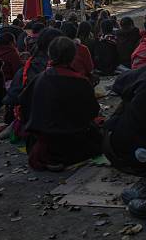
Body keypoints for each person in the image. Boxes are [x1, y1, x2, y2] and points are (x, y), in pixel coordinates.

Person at [21, 37, 102, 171]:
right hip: (73, 141)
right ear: (72, 57)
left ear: (50, 54)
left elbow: (24, 108)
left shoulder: (39, 79)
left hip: (42, 141)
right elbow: (92, 112)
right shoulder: (81, 82)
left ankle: (50, 157)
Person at [3, 28, 63, 127]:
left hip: (23, 116)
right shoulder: (53, 68)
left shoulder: (28, 65)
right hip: (40, 119)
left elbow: (10, 99)